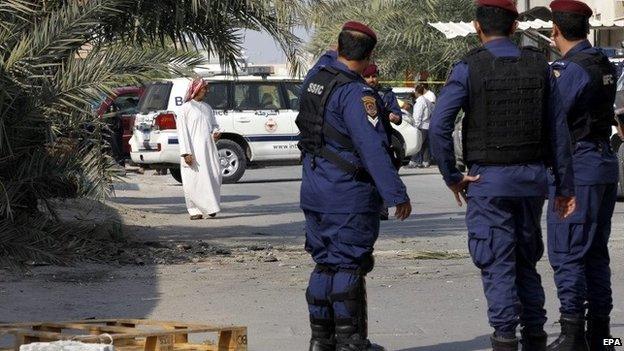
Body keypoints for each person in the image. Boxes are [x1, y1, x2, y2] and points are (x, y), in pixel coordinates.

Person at [428, 1, 576, 350]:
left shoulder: (468, 68)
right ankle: (535, 337)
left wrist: (452, 175)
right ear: (514, 27)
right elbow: (559, 131)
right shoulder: (539, 66)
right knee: (526, 261)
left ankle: (506, 338)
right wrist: (564, 187)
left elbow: (438, 127)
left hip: (489, 183)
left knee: (497, 264)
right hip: (531, 182)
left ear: (477, 27)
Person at [297, 21, 412, 351]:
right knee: (348, 264)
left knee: (324, 263)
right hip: (347, 192)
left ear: (337, 46)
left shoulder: (316, 81)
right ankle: (350, 342)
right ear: (370, 55)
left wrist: (330, 55)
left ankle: (321, 341)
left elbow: (323, 62)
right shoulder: (357, 93)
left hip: (315, 188)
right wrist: (396, 194)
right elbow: (373, 148)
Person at [546, 1, 619, 350]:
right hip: (602, 161)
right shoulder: (602, 61)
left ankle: (573, 335)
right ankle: (603, 337)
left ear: (555, 30)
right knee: (594, 253)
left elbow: (552, 116)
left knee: (569, 252)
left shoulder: (569, 69)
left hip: (579, 166)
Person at [177, 78, 222, 220]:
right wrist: (186, 152)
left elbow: (214, 125)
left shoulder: (208, 108)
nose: (206, 91)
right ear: (196, 90)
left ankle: (211, 206)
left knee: (214, 176)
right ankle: (194, 209)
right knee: (194, 180)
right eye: (204, 89)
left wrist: (216, 133)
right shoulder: (185, 109)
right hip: (193, 151)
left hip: (209, 150)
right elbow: (182, 132)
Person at [408, 84, 432, 168]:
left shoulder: (419, 102)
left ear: (417, 92)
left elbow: (417, 115)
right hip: (427, 126)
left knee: (417, 144)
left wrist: (415, 126)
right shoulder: (427, 101)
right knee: (425, 146)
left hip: (421, 126)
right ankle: (426, 162)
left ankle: (414, 162)